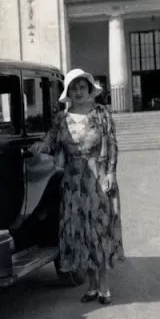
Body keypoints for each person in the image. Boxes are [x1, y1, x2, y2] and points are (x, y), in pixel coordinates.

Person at [31, 68, 125, 305]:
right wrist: (37, 148)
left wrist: (111, 173)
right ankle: (92, 286)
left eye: (83, 87)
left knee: (99, 231)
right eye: (74, 88)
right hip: (72, 182)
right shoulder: (62, 119)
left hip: (98, 178)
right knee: (81, 233)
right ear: (68, 92)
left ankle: (104, 287)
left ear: (90, 90)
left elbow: (112, 145)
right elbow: (51, 141)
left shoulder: (101, 113)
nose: (79, 91)